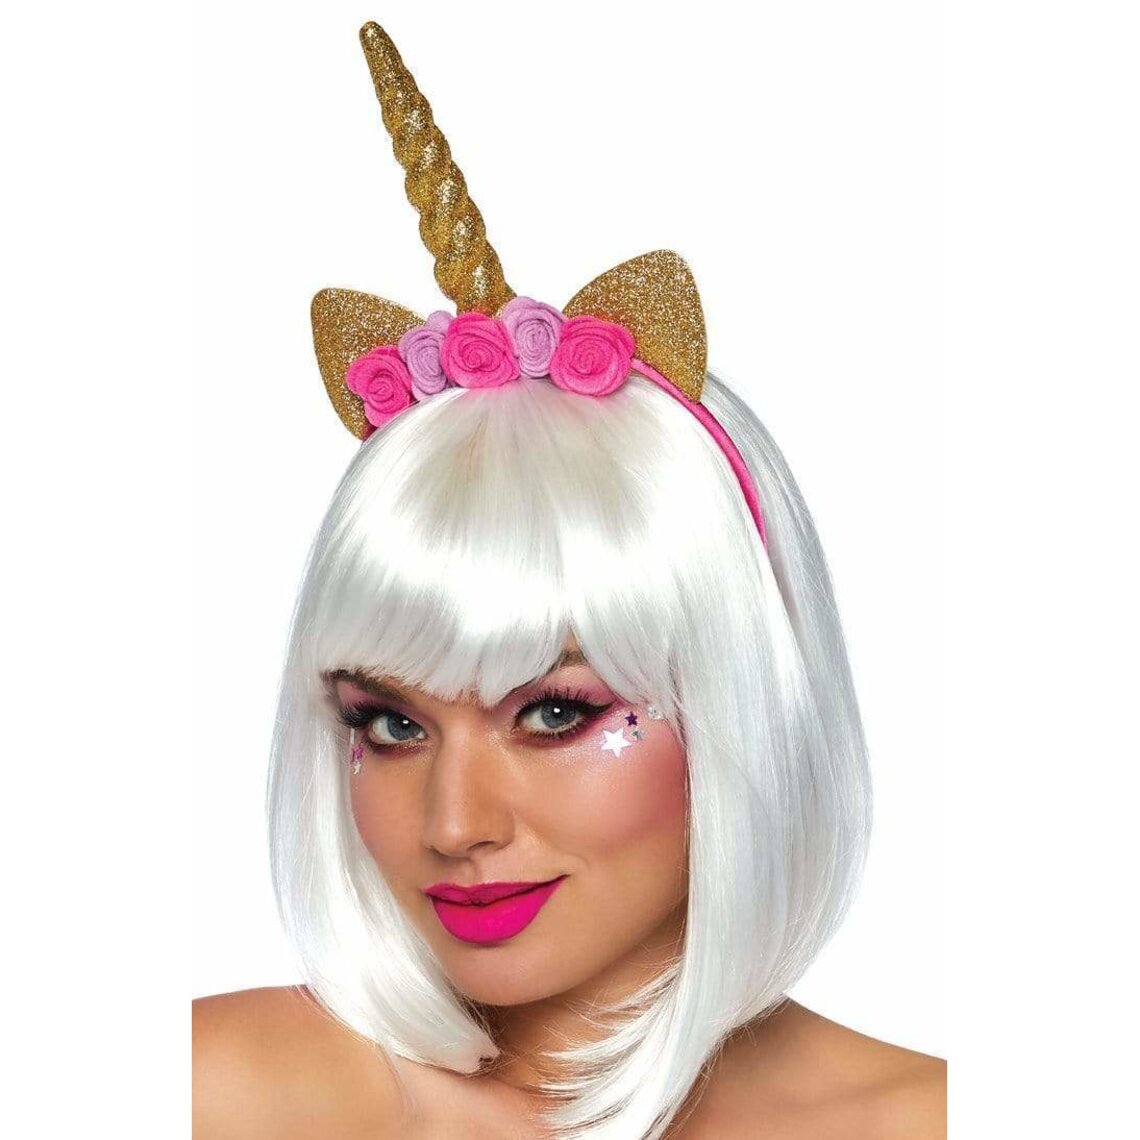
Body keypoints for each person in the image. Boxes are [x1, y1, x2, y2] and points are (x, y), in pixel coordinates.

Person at [193, 20, 946, 1140]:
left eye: (554, 711)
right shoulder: (226, 1092)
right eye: (391, 724)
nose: (455, 824)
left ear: (737, 695)